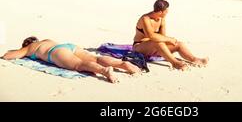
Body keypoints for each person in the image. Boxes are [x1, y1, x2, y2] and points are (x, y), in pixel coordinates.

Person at [2, 37, 141, 83]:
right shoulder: (46, 40)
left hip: (56, 52)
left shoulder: (30, 47)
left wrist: (11, 52)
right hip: (68, 46)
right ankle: (123, 64)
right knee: (96, 58)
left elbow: (9, 56)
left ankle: (105, 71)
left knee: (78, 65)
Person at [133, 0, 209, 70]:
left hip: (155, 47)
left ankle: (195, 59)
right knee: (157, 42)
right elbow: (151, 36)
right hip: (140, 47)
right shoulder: (145, 19)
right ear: (160, 12)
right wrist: (169, 39)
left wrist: (171, 41)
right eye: (166, 10)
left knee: (179, 44)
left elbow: (162, 36)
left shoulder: (161, 18)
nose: (167, 12)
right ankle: (174, 63)